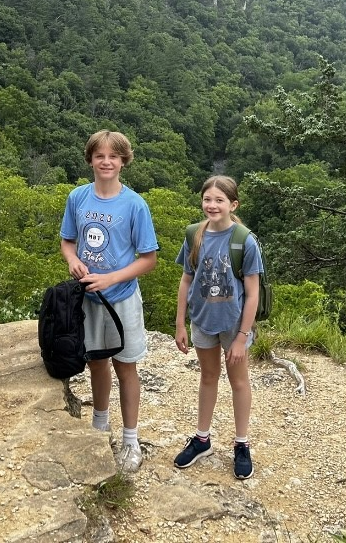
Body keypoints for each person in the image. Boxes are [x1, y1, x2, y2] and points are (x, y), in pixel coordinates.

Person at [60, 130, 159, 473]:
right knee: (97, 363)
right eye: (99, 156)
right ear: (90, 160)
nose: (106, 162)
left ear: (123, 162)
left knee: (126, 366)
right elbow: (68, 241)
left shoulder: (134, 204)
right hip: (87, 299)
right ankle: (100, 424)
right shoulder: (78, 197)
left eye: (113, 157)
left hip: (121, 298)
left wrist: (111, 278)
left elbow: (149, 258)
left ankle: (131, 439)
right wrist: (72, 260)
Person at [173, 175, 263, 479]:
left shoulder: (244, 240)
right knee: (208, 377)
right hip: (202, 321)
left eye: (219, 200)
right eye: (207, 199)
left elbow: (253, 293)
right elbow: (187, 280)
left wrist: (242, 337)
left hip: (233, 323)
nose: (211, 205)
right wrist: (180, 323)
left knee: (239, 381)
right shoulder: (194, 235)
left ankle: (241, 443)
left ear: (232, 204)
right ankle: (202, 439)